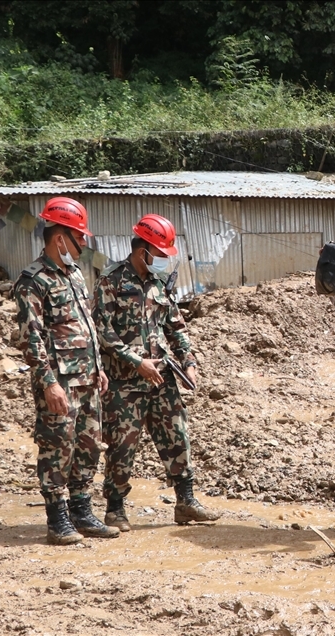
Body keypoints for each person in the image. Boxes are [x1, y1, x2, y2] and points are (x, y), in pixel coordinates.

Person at [93, 214, 219, 531]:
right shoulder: (111, 282)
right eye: (160, 254)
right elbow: (102, 333)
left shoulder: (159, 283)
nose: (164, 261)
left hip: (162, 377)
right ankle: (116, 509)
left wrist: (188, 359)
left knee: (177, 437)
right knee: (123, 445)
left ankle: (186, 502)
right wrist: (137, 361)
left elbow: (175, 326)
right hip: (125, 382)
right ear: (143, 250)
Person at [12, 197, 116, 544]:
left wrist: (99, 367)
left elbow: (86, 326)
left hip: (87, 379)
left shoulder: (74, 275)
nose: (84, 244)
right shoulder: (33, 280)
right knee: (57, 446)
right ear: (60, 238)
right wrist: (48, 384)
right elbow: (32, 337)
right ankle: (58, 519)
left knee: (88, 444)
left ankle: (82, 510)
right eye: (80, 238)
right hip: (59, 382)